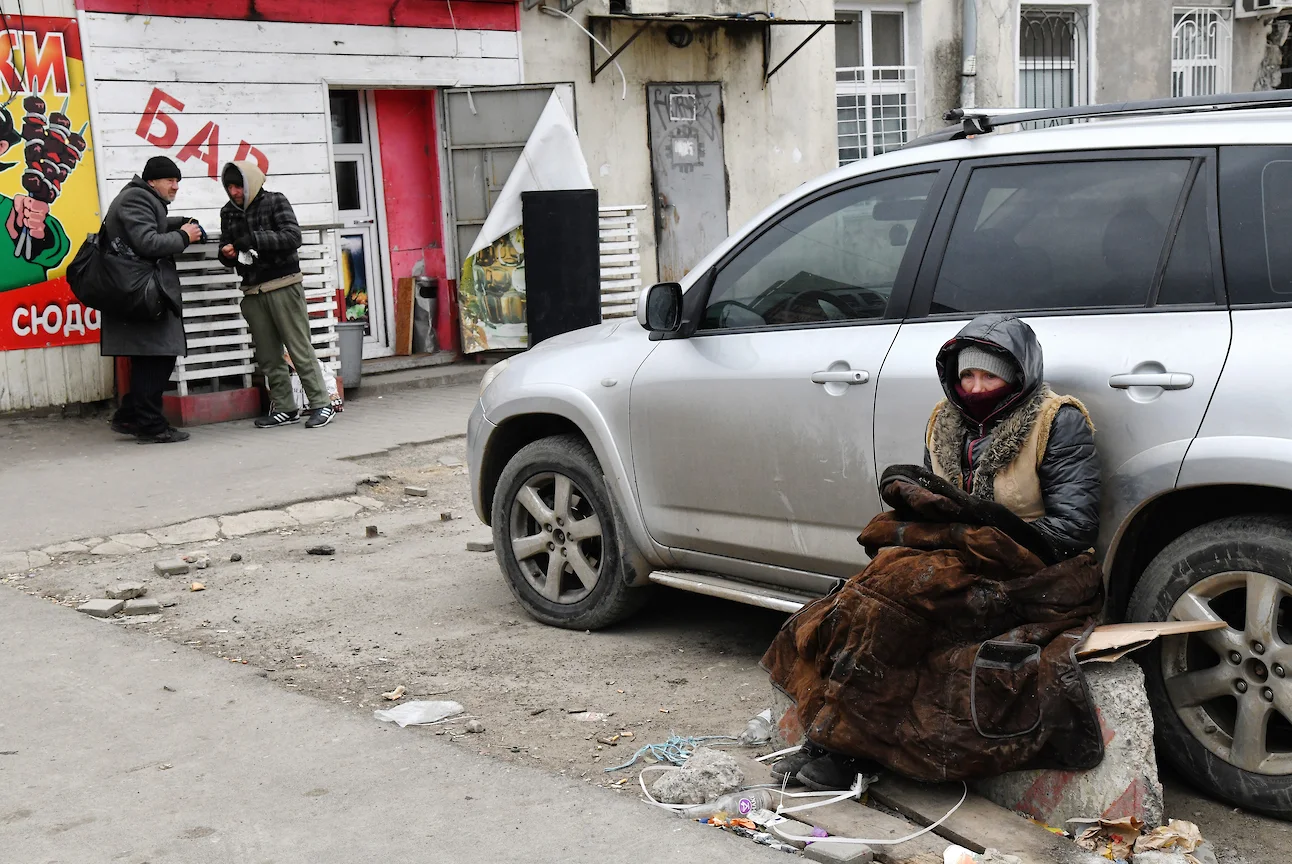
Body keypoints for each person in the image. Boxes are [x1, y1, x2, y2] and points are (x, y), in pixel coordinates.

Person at [769, 312, 1101, 790]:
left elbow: (1074, 525)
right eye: (967, 374)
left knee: (897, 613)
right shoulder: (945, 423)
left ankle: (853, 753)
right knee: (858, 598)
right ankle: (828, 734)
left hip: (1037, 570)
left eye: (990, 375)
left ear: (1018, 376)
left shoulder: (1057, 421)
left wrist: (984, 531)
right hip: (960, 556)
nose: (976, 385)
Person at [218, 160, 335, 429]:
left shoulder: (275, 201)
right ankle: (284, 407)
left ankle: (321, 404)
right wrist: (226, 253)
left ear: (251, 184)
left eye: (239, 186)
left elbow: (293, 237)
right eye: (230, 187)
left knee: (299, 347)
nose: (234, 192)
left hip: (284, 284)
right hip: (252, 290)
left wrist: (255, 239)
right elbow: (228, 245)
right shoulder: (227, 212)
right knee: (268, 355)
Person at [102, 156, 203, 444]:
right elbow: (147, 241)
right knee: (156, 356)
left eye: (177, 181)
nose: (175, 186)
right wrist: (184, 236)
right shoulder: (136, 199)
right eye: (170, 181)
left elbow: (149, 226)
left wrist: (178, 222)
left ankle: (130, 417)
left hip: (137, 292)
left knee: (153, 354)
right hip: (140, 293)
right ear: (152, 182)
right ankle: (151, 426)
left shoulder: (142, 198)